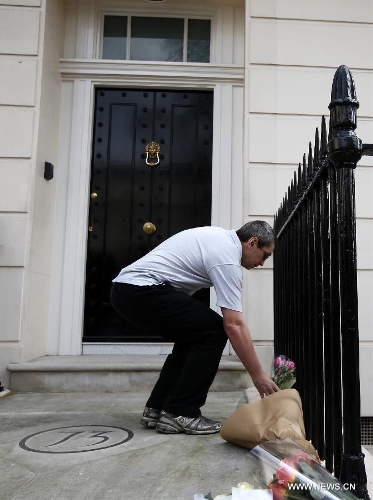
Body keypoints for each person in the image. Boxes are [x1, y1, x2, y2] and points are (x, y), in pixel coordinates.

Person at [110, 220, 279, 435]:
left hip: (127, 291)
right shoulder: (226, 258)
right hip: (140, 290)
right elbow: (233, 324)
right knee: (214, 331)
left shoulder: (219, 240)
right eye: (265, 255)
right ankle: (181, 412)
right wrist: (258, 376)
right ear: (252, 243)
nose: (263, 262)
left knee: (194, 335)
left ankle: (159, 407)